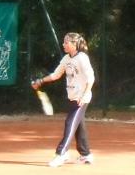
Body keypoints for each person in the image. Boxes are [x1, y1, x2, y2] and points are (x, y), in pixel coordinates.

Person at [31, 33, 96, 167]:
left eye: (67, 42)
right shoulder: (66, 59)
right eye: (64, 42)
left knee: (70, 123)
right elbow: (56, 75)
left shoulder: (82, 58)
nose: (64, 44)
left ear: (74, 44)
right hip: (72, 97)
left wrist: (85, 95)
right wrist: (40, 81)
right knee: (78, 126)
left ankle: (61, 154)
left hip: (81, 99)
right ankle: (86, 154)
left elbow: (91, 78)